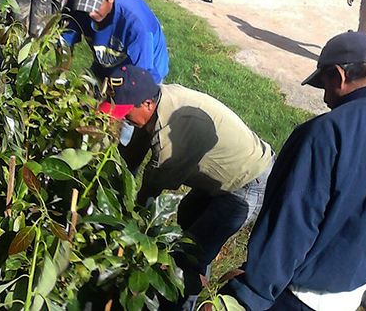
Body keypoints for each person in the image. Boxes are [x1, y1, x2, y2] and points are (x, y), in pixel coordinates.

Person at [221, 31, 366, 310]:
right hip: (361, 295)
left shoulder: (323, 133)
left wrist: (252, 292)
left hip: (301, 296)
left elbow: (293, 221)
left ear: (339, 75)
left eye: (324, 85)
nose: (325, 99)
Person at [99, 64, 274, 310]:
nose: (123, 118)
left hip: (246, 181)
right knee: (188, 219)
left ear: (147, 103)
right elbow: (132, 156)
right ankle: (196, 277)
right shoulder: (154, 106)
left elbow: (152, 190)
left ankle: (183, 301)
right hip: (217, 175)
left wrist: (131, 226)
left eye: (126, 111)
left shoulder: (173, 130)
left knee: (188, 256)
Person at [61, 0, 169, 84]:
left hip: (146, 73)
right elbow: (64, 46)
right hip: (108, 62)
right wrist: (60, 79)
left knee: (125, 98)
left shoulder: (136, 23)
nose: (90, 13)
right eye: (85, 7)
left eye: (94, 6)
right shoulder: (78, 10)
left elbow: (140, 78)